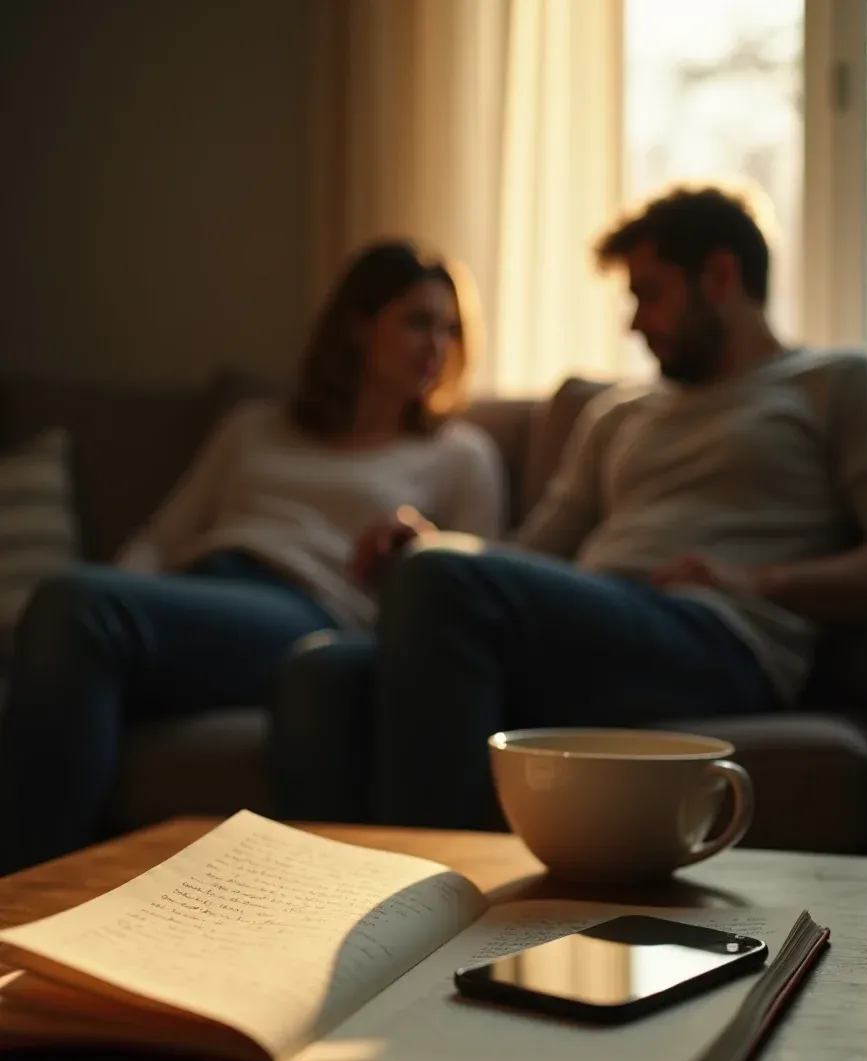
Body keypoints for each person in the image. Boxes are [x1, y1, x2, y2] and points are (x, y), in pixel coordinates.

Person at [283, 184, 867, 831]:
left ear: (720, 277)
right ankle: (310, 891)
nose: (634, 323)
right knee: (322, 669)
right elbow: (530, 554)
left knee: (441, 582)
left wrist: (758, 581)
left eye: (650, 294)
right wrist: (430, 545)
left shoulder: (838, 383)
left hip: (721, 636)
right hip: (597, 625)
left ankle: (430, 885)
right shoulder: (619, 413)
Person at [0, 240, 505, 873]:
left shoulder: (460, 454)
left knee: (72, 603)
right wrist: (127, 600)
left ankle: (23, 891)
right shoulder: (256, 426)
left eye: (450, 329)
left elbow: (470, 586)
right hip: (202, 595)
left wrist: (415, 546)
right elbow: (163, 538)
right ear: (358, 324)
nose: (437, 346)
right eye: (418, 322)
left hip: (308, 611)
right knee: (75, 615)